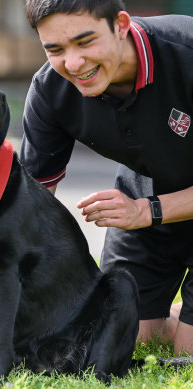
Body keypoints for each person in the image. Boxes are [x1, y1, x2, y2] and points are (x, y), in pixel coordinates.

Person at [21, 0, 193, 356]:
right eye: (55, 49)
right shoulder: (49, 91)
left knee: (188, 353)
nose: (73, 63)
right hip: (144, 200)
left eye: (85, 42)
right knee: (120, 340)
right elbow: (30, 208)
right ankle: (176, 319)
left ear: (121, 25)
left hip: (147, 209)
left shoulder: (186, 50)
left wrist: (147, 211)